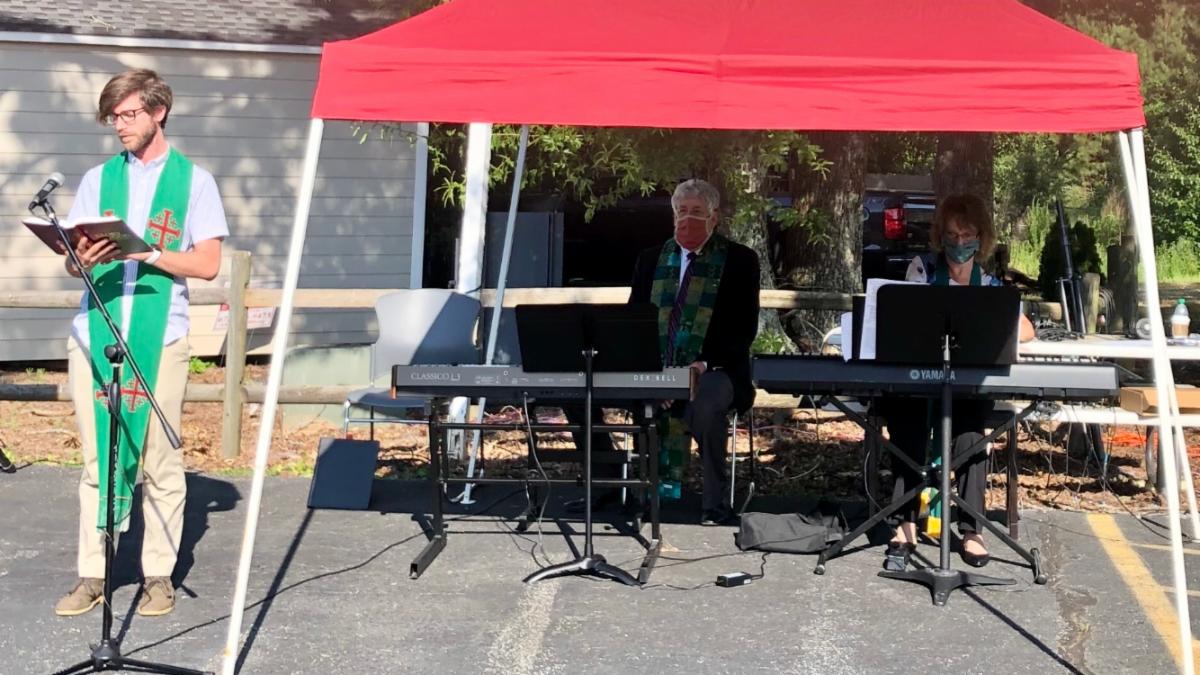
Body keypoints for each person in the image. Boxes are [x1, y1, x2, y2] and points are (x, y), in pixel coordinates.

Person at [54, 69, 228, 618]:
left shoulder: (194, 182)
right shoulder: (98, 179)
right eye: (114, 117)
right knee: (96, 458)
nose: (120, 125)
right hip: (96, 331)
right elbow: (73, 260)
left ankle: (158, 575)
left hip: (161, 335)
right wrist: (78, 259)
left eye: (129, 114)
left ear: (159, 112)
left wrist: (147, 253)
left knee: (159, 461)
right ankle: (93, 574)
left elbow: (208, 263)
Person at [877, 193, 1034, 571]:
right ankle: (906, 523)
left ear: (981, 238)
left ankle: (971, 529)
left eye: (967, 235)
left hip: (967, 386)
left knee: (970, 433)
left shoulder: (991, 284)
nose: (959, 242)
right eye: (951, 234)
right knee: (907, 422)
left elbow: (1027, 330)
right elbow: (905, 313)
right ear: (940, 236)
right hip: (919, 380)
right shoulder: (922, 270)